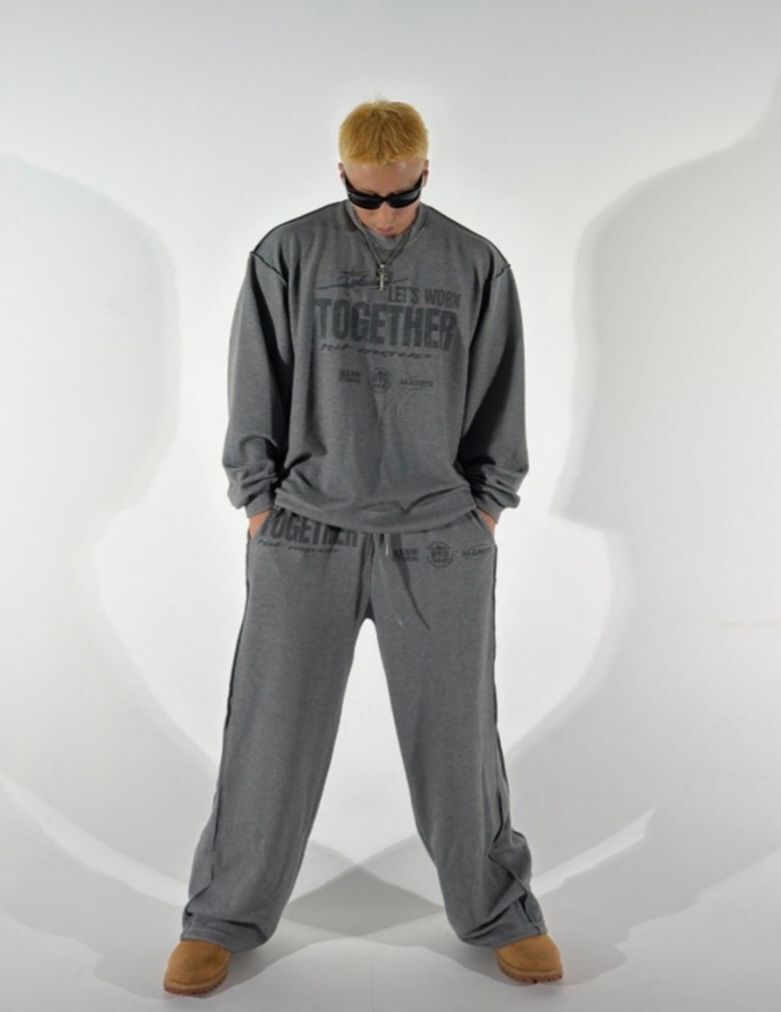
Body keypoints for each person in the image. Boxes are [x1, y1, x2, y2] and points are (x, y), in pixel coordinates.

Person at [163, 98, 563, 996]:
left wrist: (486, 505)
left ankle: (498, 911)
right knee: (270, 733)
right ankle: (222, 918)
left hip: (439, 539)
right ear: (342, 175)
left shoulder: (474, 264)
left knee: (458, 740)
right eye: (368, 197)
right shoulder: (287, 254)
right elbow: (254, 379)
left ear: (425, 174)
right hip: (306, 532)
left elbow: (502, 391)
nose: (385, 214)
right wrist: (257, 502)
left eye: (402, 196)